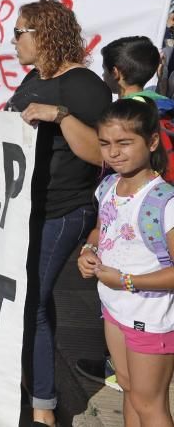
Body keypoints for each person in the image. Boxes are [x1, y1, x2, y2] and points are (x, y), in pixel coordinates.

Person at [0, 0, 112, 426]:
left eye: (20, 32)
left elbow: (100, 153)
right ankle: (29, 384)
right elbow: (14, 127)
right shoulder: (35, 76)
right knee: (29, 300)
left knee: (32, 301)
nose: (13, 39)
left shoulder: (83, 86)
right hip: (26, 209)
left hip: (63, 209)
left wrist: (60, 116)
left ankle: (43, 408)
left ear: (45, 35)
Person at [78, 98, 174, 426]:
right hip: (114, 308)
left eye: (124, 143)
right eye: (105, 143)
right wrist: (88, 251)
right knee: (129, 388)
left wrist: (128, 281)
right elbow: (102, 230)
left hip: (151, 317)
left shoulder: (164, 202)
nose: (113, 152)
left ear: (151, 141)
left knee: (151, 405)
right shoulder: (107, 185)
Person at [102, 36, 174, 114]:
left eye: (104, 69)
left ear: (115, 73)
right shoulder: (164, 103)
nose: (103, 74)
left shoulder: (122, 113)